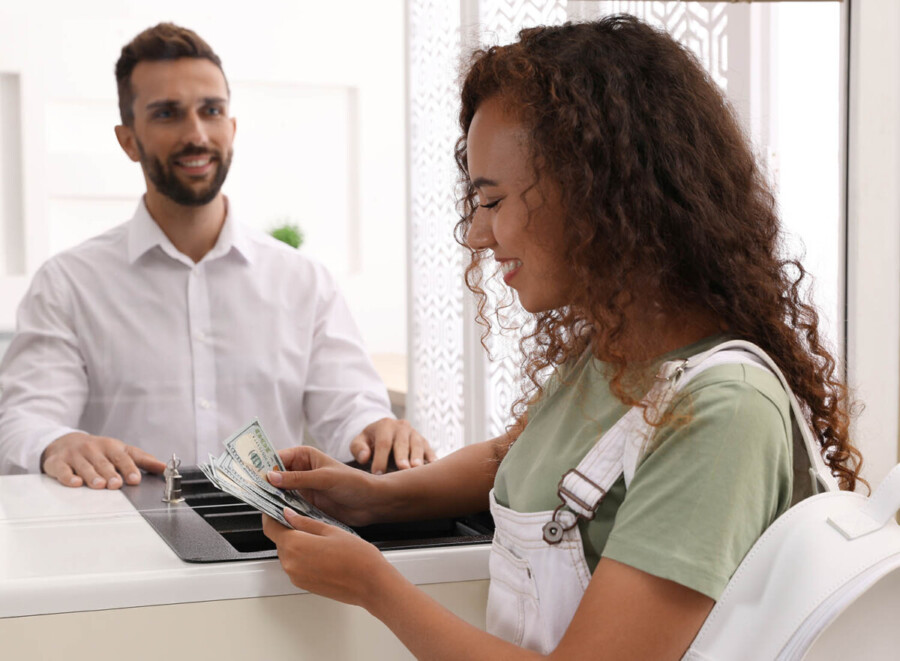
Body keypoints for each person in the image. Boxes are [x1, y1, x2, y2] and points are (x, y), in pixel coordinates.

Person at [260, 15, 864, 659]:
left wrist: (374, 587)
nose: (477, 235)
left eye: (491, 202)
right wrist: (377, 498)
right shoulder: (615, 351)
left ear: (598, 193)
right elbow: (525, 457)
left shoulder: (722, 413)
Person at [0, 23, 434, 488]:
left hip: (272, 550)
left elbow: (352, 412)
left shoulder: (304, 281)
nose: (196, 134)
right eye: (167, 113)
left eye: (211, 110)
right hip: (122, 549)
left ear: (231, 127)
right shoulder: (67, 284)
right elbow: (27, 421)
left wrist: (379, 433)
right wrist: (57, 442)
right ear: (128, 140)